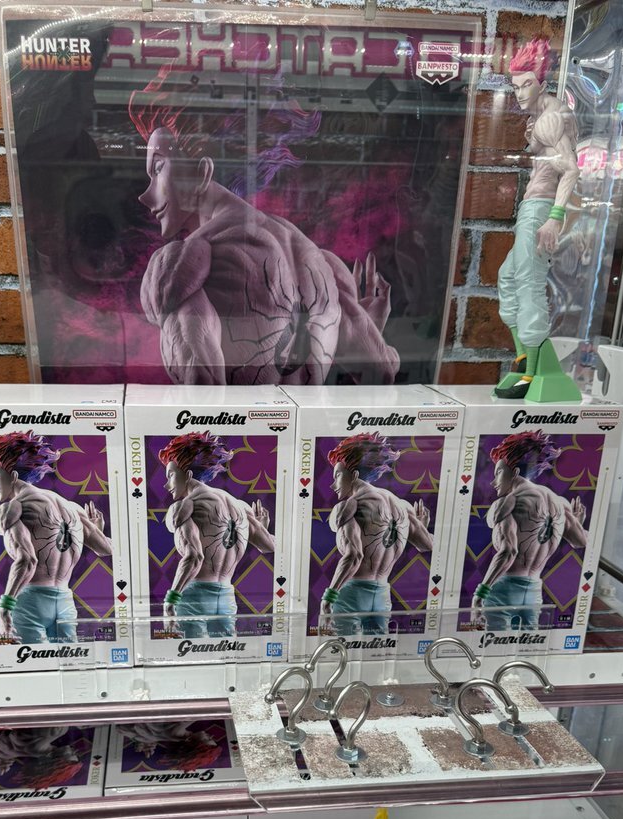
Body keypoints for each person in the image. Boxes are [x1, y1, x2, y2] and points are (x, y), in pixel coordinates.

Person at [129, 68, 400, 386]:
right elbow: (381, 372)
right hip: (302, 419)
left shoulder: (186, 263)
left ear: (202, 172)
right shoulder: (322, 262)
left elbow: (201, 387)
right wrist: (368, 327)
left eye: (157, 168)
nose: (145, 195)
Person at [495, 38, 580, 400]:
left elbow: (571, 170)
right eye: (515, 86)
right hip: (535, 206)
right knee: (508, 277)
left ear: (541, 82)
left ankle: (532, 372)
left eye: (526, 84)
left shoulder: (550, 119)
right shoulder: (542, 116)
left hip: (541, 209)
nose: (519, 93)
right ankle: (522, 359)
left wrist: (555, 217)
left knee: (527, 282)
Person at [0, 431, 112, 644]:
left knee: (32, 661)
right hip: (64, 600)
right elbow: (106, 549)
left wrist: (5, 606)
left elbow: (27, 560)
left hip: (31, 601)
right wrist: (98, 531)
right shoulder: (72, 507)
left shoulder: (12, 509)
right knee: (71, 660)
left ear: (13, 475)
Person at [159, 432, 274, 638]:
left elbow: (195, 557)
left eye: (170, 475)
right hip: (226, 594)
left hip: (195, 595)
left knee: (192, 652)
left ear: (188, 474)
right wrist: (263, 528)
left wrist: (171, 599)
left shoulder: (185, 506)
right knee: (226, 652)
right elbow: (269, 546)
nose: (166, 485)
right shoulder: (240, 506)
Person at [471, 431, 587, 631]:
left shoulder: (508, 502)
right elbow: (581, 541)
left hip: (504, 589)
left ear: (515, 472)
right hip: (533, 591)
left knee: (494, 644)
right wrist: (578, 523)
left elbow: (509, 552)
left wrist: (480, 594)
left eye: (498, 473)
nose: (493, 481)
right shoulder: (560, 503)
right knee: (530, 644)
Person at [317, 433, 431, 636]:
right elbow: (427, 544)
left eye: (337, 476)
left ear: (354, 475)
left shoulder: (350, 505)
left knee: (340, 648)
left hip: (352, 593)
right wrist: (422, 526)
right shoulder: (402, 506)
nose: (333, 485)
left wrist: (329, 596)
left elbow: (354, 556)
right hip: (381, 594)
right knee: (376, 651)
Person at [0, 726, 83, 789]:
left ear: (57, 760)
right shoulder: (10, 754)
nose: (74, 750)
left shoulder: (56, 731)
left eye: (71, 754)